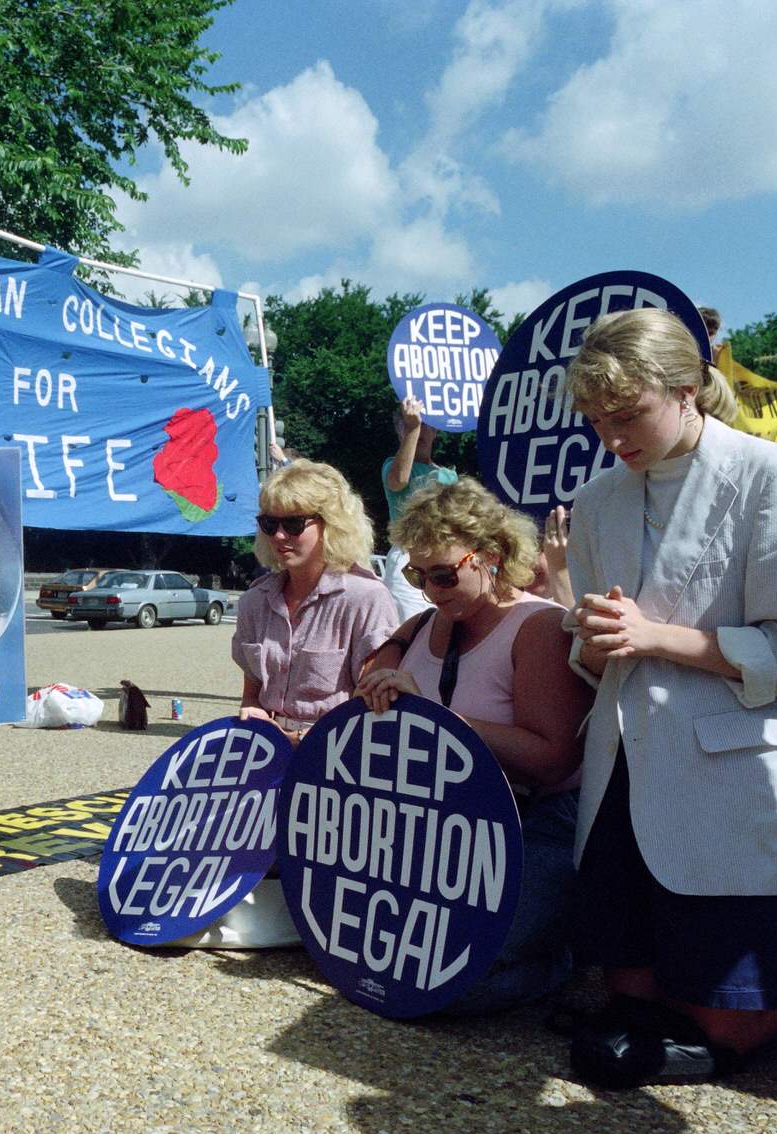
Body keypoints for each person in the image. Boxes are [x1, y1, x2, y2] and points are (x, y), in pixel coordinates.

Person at [560, 308, 777, 1089]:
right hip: (625, 757)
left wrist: (657, 638)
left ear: (688, 389)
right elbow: (592, 647)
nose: (612, 437)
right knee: (632, 999)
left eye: (628, 416)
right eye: (596, 421)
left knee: (725, 1028)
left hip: (735, 758)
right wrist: (588, 643)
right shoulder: (595, 503)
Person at [356, 478, 593, 1012]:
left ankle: (560, 957)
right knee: (379, 955)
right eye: (418, 575)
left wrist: (437, 719)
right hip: (448, 819)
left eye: (443, 575)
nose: (430, 590)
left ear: (490, 557)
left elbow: (552, 760)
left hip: (538, 817)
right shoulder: (423, 624)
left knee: (451, 981)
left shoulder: (537, 626)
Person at [231, 460, 395, 746]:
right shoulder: (254, 601)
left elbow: (372, 705)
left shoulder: (366, 597)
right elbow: (252, 693)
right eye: (269, 523)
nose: (279, 535)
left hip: (341, 750)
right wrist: (253, 711)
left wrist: (303, 738)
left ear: (332, 524)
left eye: (294, 523)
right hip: (269, 747)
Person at [380, 397, 457, 620]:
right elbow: (399, 479)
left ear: (436, 431)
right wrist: (412, 428)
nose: (420, 430)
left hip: (443, 557)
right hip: (408, 558)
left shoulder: (449, 476)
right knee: (410, 627)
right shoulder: (390, 466)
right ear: (399, 431)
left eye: (425, 424)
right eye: (409, 424)